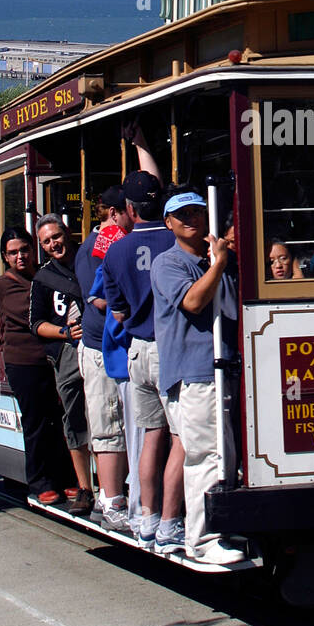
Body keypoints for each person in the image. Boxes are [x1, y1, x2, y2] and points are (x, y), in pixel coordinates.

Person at [150, 191, 245, 566]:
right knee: (206, 454)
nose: (190, 218)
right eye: (181, 214)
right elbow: (192, 302)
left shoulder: (215, 259)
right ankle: (201, 539)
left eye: (197, 212)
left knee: (227, 454)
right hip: (194, 373)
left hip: (222, 367)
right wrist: (218, 265)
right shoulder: (167, 263)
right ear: (168, 223)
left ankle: (222, 524)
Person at [102, 170, 184, 553]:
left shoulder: (115, 251)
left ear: (130, 210)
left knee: (152, 436)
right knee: (183, 436)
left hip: (137, 349)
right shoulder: (177, 239)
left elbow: (116, 313)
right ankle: (171, 520)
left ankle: (148, 518)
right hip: (172, 348)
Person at [0, 227, 74, 507]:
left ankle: (67, 479)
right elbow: (31, 310)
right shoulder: (5, 284)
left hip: (51, 358)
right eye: (13, 253)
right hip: (24, 362)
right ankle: (41, 483)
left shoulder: (45, 274)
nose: (20, 257)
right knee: (37, 423)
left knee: (60, 419)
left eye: (24, 250)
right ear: (5, 257)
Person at [74, 185, 134, 532]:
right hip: (100, 349)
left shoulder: (118, 243)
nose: (134, 217)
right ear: (114, 213)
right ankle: (110, 501)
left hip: (121, 349)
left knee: (127, 424)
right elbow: (98, 299)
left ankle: (121, 495)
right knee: (108, 424)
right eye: (129, 211)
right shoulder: (93, 251)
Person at [29, 215, 94, 514]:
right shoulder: (43, 279)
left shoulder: (88, 258)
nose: (54, 244)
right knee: (74, 418)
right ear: (41, 246)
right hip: (66, 355)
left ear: (67, 233)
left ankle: (111, 487)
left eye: (56, 236)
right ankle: (84, 487)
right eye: (46, 241)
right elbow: (36, 323)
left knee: (107, 414)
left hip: (97, 349)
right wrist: (64, 332)